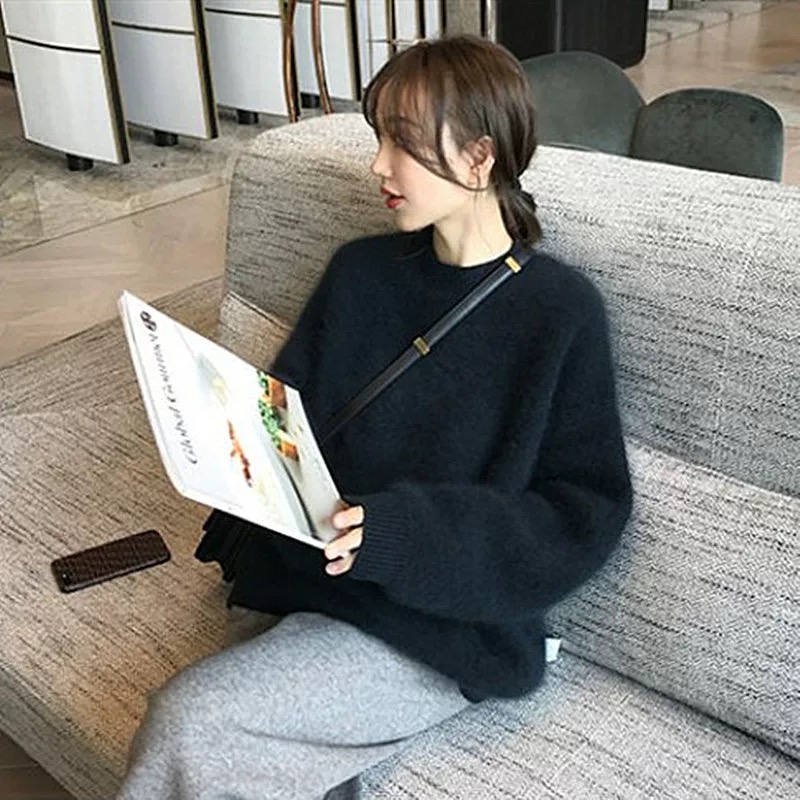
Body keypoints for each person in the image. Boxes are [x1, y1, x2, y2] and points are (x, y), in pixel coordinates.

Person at [117, 35, 632, 800]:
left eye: (403, 142)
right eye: (378, 137)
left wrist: (403, 533)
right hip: (305, 583)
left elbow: (582, 512)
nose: (378, 166)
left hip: (437, 624)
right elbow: (285, 417)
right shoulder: (360, 273)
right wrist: (217, 436)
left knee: (191, 723)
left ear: (480, 159)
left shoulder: (558, 313)